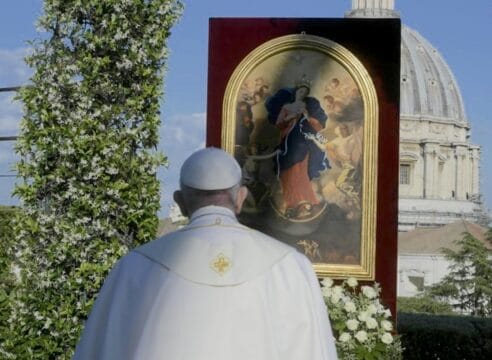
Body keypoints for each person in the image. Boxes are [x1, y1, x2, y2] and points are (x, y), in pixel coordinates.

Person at [73, 147, 338, 360]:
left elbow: (106, 348)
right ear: (241, 198)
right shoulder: (290, 266)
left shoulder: (135, 267)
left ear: (180, 201)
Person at [266, 82, 330, 219]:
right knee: (287, 171)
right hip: (288, 140)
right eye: (301, 92)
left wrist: (306, 115)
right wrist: (291, 117)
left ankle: (305, 200)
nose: (302, 95)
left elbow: (315, 126)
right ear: (296, 92)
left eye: (305, 93)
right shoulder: (287, 107)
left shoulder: (305, 107)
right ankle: (291, 203)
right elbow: (279, 124)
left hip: (301, 141)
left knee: (301, 169)